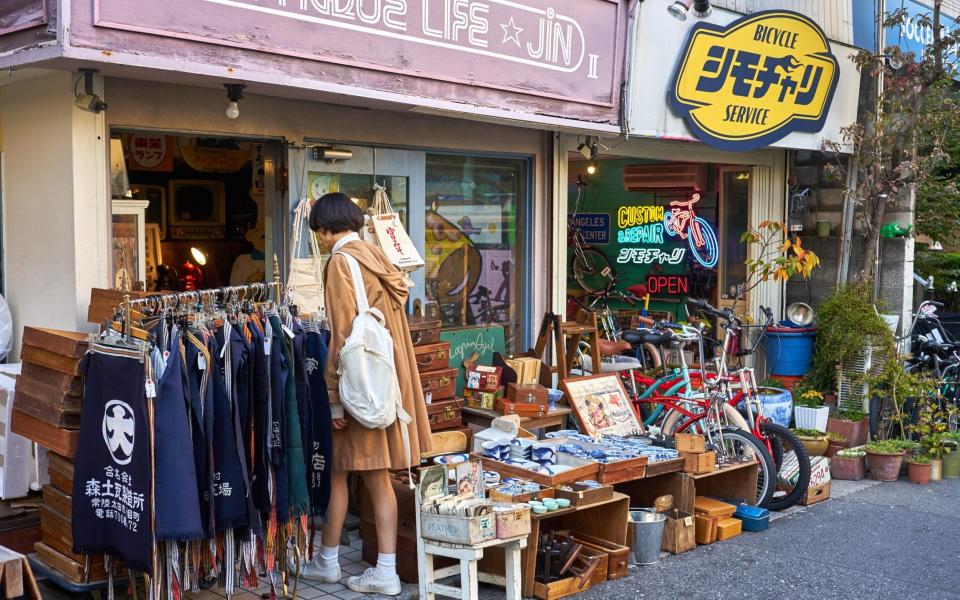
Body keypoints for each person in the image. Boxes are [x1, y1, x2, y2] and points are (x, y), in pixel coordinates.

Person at [301, 192, 432, 595]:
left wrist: (333, 396)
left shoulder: (341, 261)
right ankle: (327, 560)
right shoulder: (378, 257)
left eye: (320, 233)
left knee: (376, 477)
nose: (321, 240)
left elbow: (342, 334)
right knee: (342, 471)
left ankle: (386, 572)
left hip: (359, 388)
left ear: (325, 229)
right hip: (384, 380)